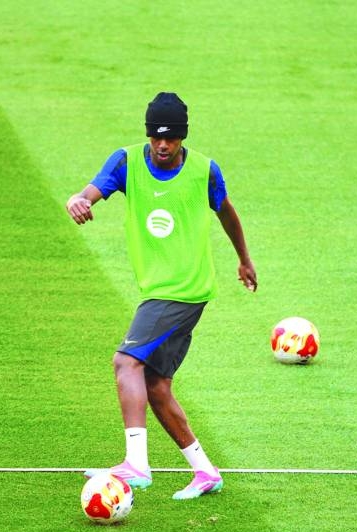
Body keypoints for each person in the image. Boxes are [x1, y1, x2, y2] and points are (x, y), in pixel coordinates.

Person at [65, 91, 257, 500]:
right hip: (162, 291)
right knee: (155, 384)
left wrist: (244, 258)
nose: (163, 145)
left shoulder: (205, 170)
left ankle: (136, 462)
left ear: (183, 137)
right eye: (156, 137)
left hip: (183, 289)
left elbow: (227, 212)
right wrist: (77, 201)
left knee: (125, 361)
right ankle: (205, 471)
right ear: (148, 134)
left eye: (171, 138)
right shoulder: (127, 161)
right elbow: (91, 191)